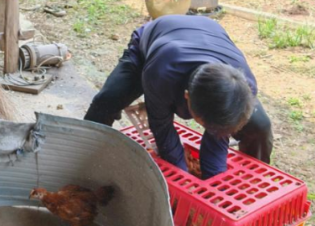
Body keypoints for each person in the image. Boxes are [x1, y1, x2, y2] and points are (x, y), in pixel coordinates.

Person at [84, 15, 273, 179]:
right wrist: (184, 175)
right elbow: (162, 128)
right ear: (187, 97)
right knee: (106, 101)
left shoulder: (244, 86)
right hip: (153, 47)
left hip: (206, 35)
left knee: (260, 126)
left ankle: (255, 177)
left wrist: (214, 181)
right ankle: (84, 157)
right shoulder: (161, 73)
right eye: (205, 123)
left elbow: (218, 136)